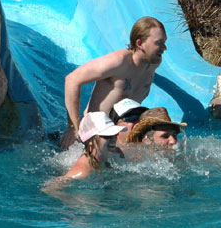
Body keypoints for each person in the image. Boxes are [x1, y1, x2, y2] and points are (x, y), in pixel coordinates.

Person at [60, 16, 167, 149]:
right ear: (140, 44)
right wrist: (72, 128)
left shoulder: (152, 64)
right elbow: (72, 79)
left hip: (120, 140)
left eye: (164, 42)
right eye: (159, 43)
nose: (165, 48)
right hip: (94, 140)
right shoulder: (118, 62)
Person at [43, 112, 126, 194]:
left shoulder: (113, 155)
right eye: (107, 136)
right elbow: (49, 189)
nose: (114, 138)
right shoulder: (83, 172)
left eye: (115, 134)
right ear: (91, 143)